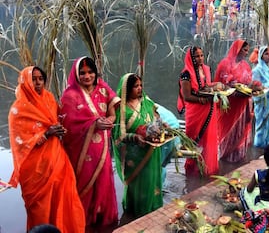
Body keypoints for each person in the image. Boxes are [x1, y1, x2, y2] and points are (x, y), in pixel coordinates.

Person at [8, 66, 85, 232]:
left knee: (64, 198)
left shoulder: (49, 98)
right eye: (33, 79)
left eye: (40, 79)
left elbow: (56, 121)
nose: (37, 83)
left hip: (57, 159)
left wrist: (59, 130)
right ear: (25, 81)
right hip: (35, 170)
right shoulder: (18, 110)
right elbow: (20, 142)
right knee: (40, 209)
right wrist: (47, 133)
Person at [60, 57, 119, 228]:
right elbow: (68, 125)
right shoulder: (70, 95)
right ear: (76, 74)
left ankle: (103, 222)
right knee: (84, 186)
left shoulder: (103, 88)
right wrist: (94, 123)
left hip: (102, 150)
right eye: (83, 73)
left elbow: (112, 113)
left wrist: (108, 120)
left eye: (90, 72)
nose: (87, 76)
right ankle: (81, 222)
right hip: (82, 153)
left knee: (104, 182)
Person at [113, 73, 174, 217]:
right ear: (127, 89)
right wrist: (135, 137)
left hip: (151, 150)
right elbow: (118, 136)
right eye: (135, 86)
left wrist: (163, 125)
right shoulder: (121, 109)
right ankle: (137, 212)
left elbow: (156, 119)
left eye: (140, 85)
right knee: (139, 185)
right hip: (134, 156)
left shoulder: (146, 101)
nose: (139, 89)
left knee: (153, 180)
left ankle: (154, 207)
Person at [177, 46, 223, 177]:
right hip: (195, 112)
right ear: (191, 57)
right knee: (194, 141)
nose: (200, 58)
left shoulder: (206, 69)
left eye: (202, 55)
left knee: (209, 140)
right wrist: (200, 99)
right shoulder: (186, 73)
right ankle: (193, 172)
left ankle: (208, 170)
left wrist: (217, 86)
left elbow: (206, 86)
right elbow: (186, 96)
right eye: (197, 56)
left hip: (209, 108)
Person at [214, 39, 253, 162]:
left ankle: (237, 156)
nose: (246, 53)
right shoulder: (225, 64)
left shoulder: (245, 65)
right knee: (227, 129)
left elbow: (249, 82)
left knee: (241, 130)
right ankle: (224, 155)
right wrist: (231, 89)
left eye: (248, 51)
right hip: (229, 104)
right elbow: (220, 84)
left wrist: (254, 87)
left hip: (243, 102)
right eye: (244, 50)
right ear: (238, 49)